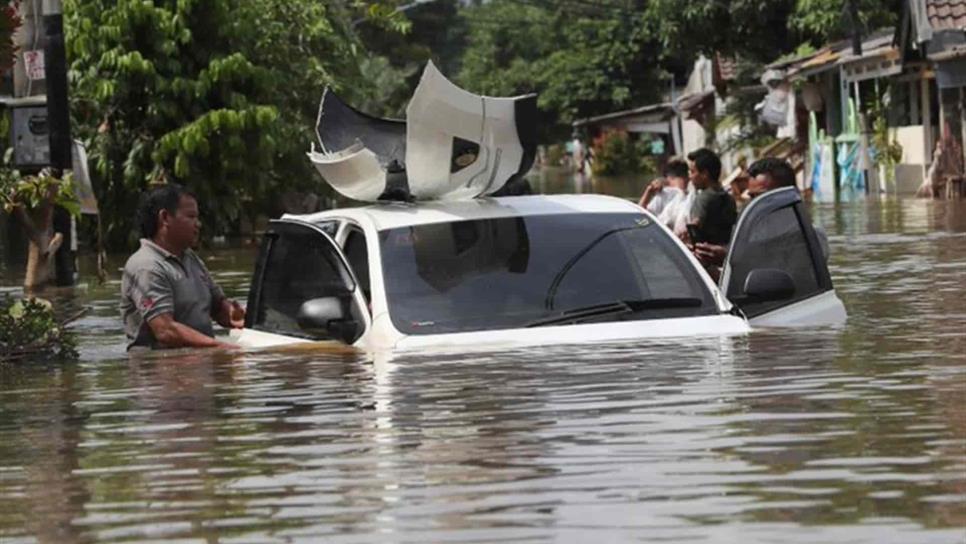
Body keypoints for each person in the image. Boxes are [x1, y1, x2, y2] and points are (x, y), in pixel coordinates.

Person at [121, 183, 245, 350]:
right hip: (161, 370)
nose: (198, 224)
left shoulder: (190, 258)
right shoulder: (147, 266)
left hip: (201, 360)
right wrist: (221, 346)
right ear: (165, 218)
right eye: (191, 216)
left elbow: (217, 306)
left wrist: (233, 315)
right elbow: (165, 331)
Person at [692, 157, 829, 275]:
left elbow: (781, 272)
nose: (755, 204)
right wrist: (703, 265)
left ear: (787, 196)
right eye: (752, 197)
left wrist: (731, 259)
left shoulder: (813, 238)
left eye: (762, 197)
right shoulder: (749, 236)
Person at [685, 148, 737, 246]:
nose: (690, 177)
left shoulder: (703, 198)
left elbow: (695, 225)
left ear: (704, 174)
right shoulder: (729, 199)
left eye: (692, 172)